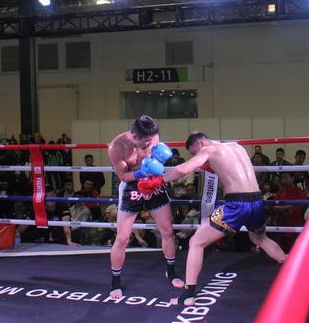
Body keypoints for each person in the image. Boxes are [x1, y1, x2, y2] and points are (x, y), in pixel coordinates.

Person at [138, 131, 287, 305]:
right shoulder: (237, 147)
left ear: (200, 144)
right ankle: (288, 263)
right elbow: (231, 171)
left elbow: (181, 170)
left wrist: (157, 181)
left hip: (237, 205)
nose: (196, 156)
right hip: (257, 201)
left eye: (194, 153)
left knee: (196, 242)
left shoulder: (207, 150)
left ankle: (188, 295)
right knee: (260, 239)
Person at [107, 115, 183, 299]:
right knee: (122, 238)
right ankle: (115, 281)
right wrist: (142, 172)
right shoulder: (116, 147)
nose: (151, 143)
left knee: (167, 231)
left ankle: (171, 272)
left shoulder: (152, 136)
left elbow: (157, 160)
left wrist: (156, 165)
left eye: (153, 140)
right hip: (132, 187)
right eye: (147, 142)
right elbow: (123, 176)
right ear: (135, 136)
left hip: (153, 183)